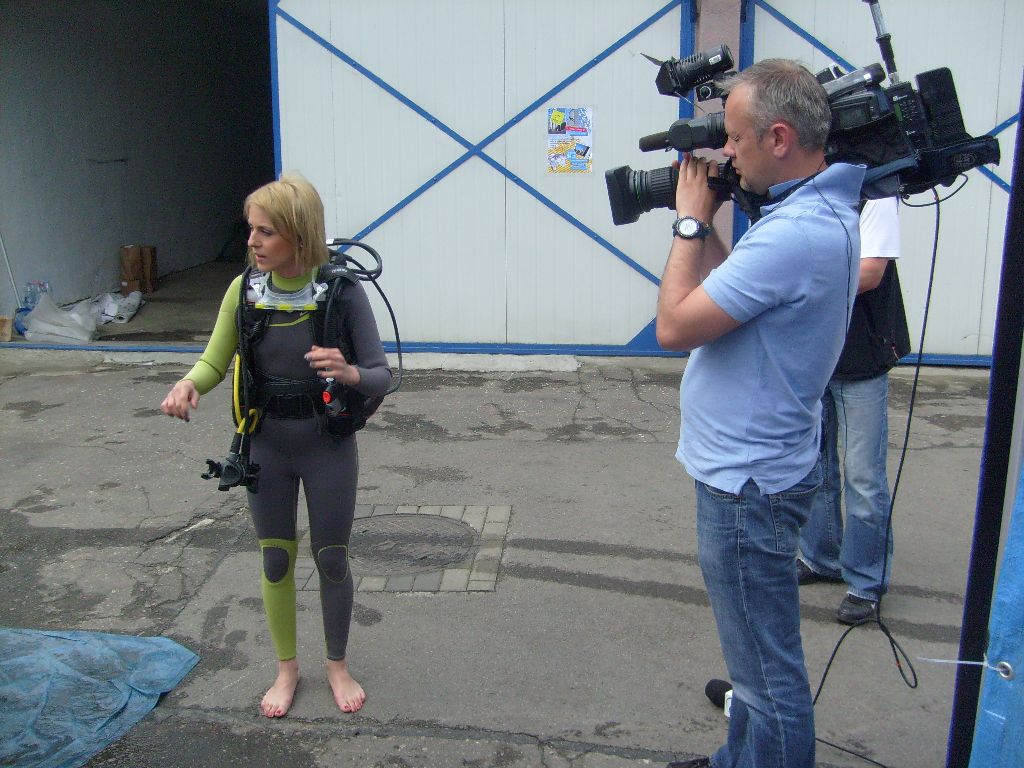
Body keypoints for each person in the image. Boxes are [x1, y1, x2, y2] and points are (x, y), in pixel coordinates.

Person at [656, 60, 864, 768]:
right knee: (753, 661)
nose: (727, 153)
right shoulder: (812, 215)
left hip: (746, 483)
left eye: (736, 138)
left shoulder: (794, 232)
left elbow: (675, 325)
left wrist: (689, 220)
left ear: (779, 138)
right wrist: (709, 224)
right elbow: (728, 290)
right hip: (760, 468)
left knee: (768, 672)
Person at [161, 174, 392, 718]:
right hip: (265, 444)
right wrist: (189, 383)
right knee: (274, 559)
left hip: (326, 445)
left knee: (331, 558)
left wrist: (349, 372)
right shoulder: (244, 290)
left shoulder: (342, 293)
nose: (252, 242)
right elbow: (215, 359)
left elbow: (383, 375)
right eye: (251, 230)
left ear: (299, 234)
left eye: (266, 232)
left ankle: (337, 664)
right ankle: (287, 669)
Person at [797, 196, 910, 624]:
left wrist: (793, 279)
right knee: (814, 466)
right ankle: (821, 557)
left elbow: (870, 272)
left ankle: (866, 581)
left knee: (863, 476)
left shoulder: (874, 194)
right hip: (814, 354)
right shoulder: (803, 192)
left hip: (862, 355)